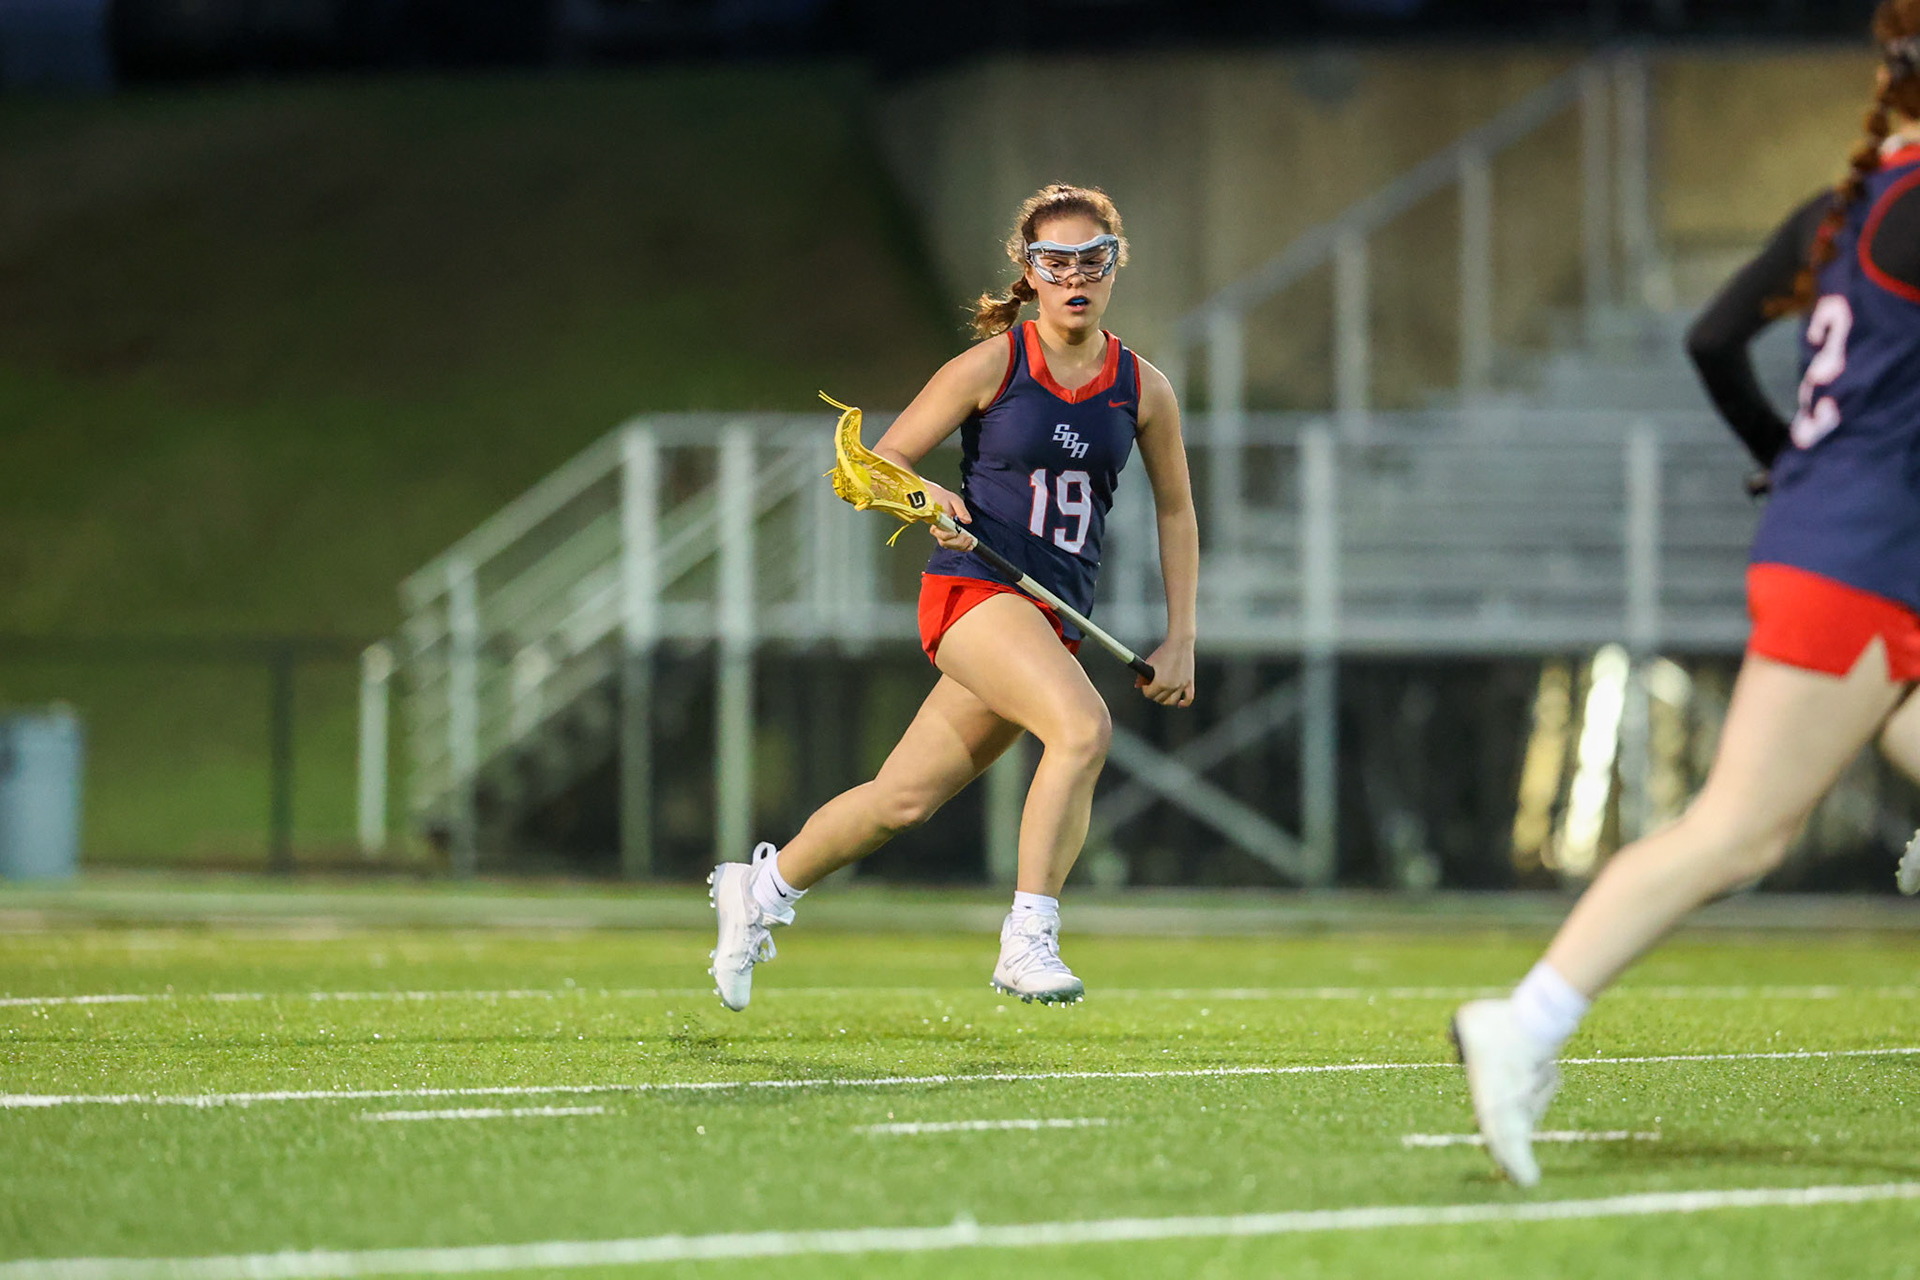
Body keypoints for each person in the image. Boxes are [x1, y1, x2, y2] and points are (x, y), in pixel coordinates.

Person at [1453, 3, 1920, 1188]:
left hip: (1846, 543)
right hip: (1860, 557)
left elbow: (1716, 337)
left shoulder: (1845, 206)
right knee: (1739, 828)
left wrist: (1785, 454)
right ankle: (1528, 1021)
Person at [706, 184, 1200, 1011]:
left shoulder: (1142, 389)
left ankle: (758, 889)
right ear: (1029, 272)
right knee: (1082, 729)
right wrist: (927, 498)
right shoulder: (993, 365)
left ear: (1114, 267)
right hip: (976, 595)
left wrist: (1182, 637)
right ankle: (1027, 937)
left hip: (1052, 614)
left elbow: (1179, 510)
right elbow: (877, 461)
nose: (1075, 276)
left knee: (900, 800)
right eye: (1056, 261)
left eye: (1092, 260)